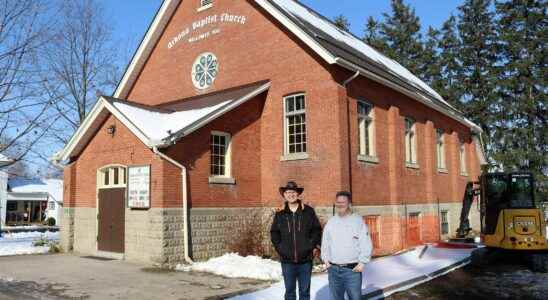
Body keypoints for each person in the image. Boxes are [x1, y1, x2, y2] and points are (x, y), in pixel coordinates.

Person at [270, 181, 322, 300]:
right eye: (287, 192)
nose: (290, 194)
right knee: (289, 292)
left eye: (293, 192)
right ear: (284, 195)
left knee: (304, 292)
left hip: (305, 260)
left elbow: (316, 230)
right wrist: (280, 249)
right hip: (287, 261)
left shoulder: (308, 211)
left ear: (298, 193)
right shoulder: (280, 213)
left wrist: (311, 246)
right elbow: (274, 233)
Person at [321, 191, 373, 300]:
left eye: (343, 202)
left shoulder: (357, 221)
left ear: (349, 203)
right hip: (334, 270)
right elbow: (325, 243)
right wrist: (326, 260)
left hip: (352, 271)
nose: (340, 204)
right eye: (338, 202)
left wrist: (362, 262)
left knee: (355, 298)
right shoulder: (331, 222)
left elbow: (365, 242)